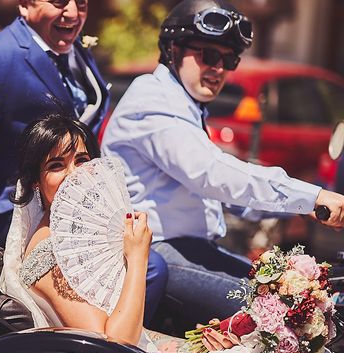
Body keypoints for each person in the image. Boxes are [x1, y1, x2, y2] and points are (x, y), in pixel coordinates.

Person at [0, 113, 344, 353]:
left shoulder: (81, 235)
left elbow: (126, 324)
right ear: (35, 181)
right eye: (57, 165)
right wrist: (137, 258)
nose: (75, 173)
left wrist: (196, 341)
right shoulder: (47, 249)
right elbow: (113, 344)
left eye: (82, 159)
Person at [100, 0, 344, 329]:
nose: (219, 69)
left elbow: (223, 195)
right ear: (173, 49)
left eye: (229, 60)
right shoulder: (153, 102)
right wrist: (310, 196)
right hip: (158, 253)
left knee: (300, 292)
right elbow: (213, 175)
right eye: (209, 56)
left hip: (190, 249)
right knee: (285, 309)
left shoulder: (183, 102)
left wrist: (301, 208)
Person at [0, 0, 167, 323]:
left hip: (80, 230)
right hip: (16, 231)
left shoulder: (77, 52)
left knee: (151, 271)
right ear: (25, 4)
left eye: (81, 3)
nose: (72, 13)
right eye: (57, 2)